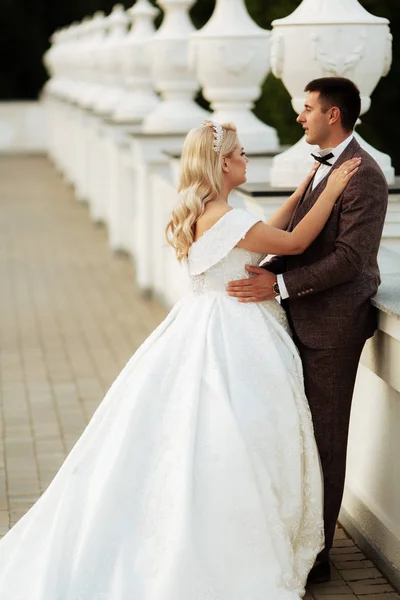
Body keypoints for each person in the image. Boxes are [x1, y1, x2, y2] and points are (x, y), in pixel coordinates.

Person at [0, 119, 359, 600]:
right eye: (242, 153)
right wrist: (332, 190)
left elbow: (262, 233)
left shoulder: (208, 214)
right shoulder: (225, 218)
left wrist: (302, 190)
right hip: (232, 330)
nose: (248, 159)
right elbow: (291, 244)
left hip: (198, 320)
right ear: (223, 164)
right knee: (235, 431)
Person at [227, 77, 389, 585]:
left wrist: (276, 285)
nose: (301, 117)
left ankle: (318, 556)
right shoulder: (322, 168)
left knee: (324, 440)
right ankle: (295, 540)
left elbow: (350, 259)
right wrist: (262, 270)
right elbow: (298, 239)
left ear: (333, 115)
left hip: (333, 328)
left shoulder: (363, 175)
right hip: (297, 320)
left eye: (308, 109)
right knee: (294, 437)